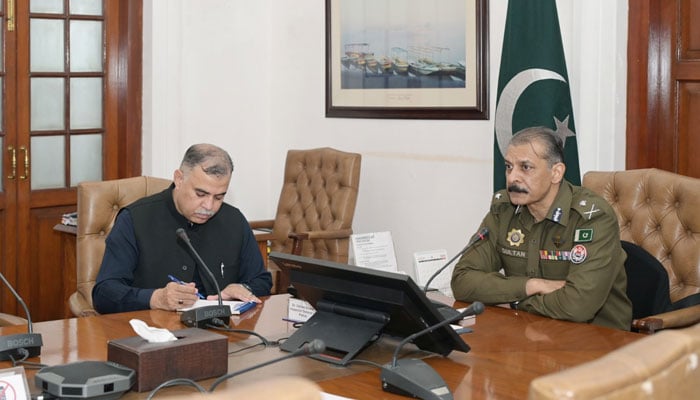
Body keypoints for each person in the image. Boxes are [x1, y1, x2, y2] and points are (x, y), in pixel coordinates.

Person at [451, 126, 632, 330]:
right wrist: (530, 286)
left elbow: (577, 306)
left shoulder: (592, 218)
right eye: (509, 167)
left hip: (598, 341)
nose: (512, 178)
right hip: (528, 334)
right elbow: (462, 280)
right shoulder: (504, 211)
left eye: (525, 167)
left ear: (556, 173)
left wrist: (514, 301)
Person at [93, 144, 272, 314]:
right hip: (153, 332)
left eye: (219, 197)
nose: (209, 206)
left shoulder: (234, 220)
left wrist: (243, 289)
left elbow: (261, 280)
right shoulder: (134, 219)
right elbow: (104, 293)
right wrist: (155, 298)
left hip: (221, 332)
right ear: (179, 179)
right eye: (200, 194)